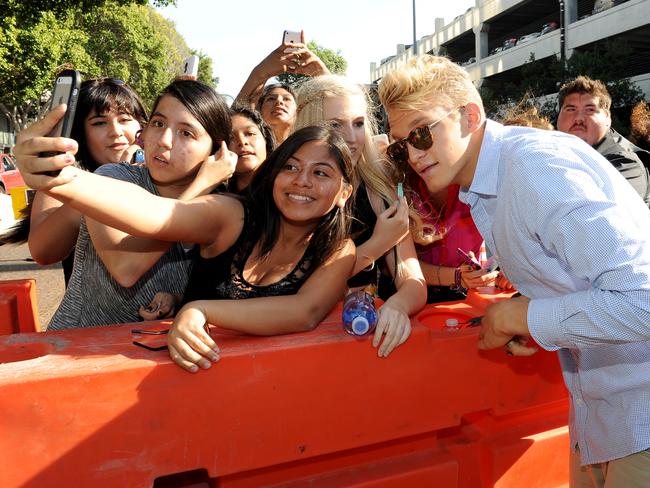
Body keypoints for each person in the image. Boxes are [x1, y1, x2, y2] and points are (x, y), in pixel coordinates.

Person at [379, 55, 650, 486]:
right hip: (602, 413)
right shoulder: (490, 181)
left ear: (469, 116)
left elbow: (643, 300)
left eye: (421, 133)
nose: (412, 153)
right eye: (400, 145)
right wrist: (537, 321)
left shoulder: (533, 168)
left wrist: (521, 317)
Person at [19, 125, 356, 373]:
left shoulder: (338, 250)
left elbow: (304, 312)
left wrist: (197, 310)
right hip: (177, 385)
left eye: (321, 173)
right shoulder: (232, 215)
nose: (302, 181)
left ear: (344, 193)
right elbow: (154, 213)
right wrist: (62, 177)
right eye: (291, 166)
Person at [15, 79, 236, 329]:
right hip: (74, 350)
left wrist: (176, 300)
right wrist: (202, 184)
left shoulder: (220, 207)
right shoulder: (113, 177)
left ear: (216, 151)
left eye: (186, 132)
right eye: (159, 123)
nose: (163, 140)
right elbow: (126, 267)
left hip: (151, 358)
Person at [294, 75, 427, 357]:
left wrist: (399, 304)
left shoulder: (378, 191)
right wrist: (377, 245)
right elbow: (298, 286)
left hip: (363, 340)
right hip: (300, 344)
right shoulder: (291, 193)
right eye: (335, 125)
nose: (352, 138)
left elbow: (413, 280)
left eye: (357, 123)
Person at [1, 78, 148, 279]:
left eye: (124, 119)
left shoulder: (161, 167)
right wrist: (105, 185)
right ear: (81, 133)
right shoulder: (63, 174)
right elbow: (43, 251)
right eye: (99, 123)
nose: (116, 132)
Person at [556, 75, 650, 205]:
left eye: (590, 110)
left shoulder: (625, 162)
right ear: (559, 117)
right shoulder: (554, 152)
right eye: (571, 109)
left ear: (607, 117)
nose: (578, 118)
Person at [236, 31, 329, 143]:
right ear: (259, 111)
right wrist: (261, 72)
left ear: (298, 111)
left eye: (287, 99)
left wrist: (322, 74)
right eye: (271, 99)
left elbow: (342, 113)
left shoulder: (310, 147)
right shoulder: (251, 149)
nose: (279, 102)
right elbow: (239, 113)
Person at [227, 104, 275, 193]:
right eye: (230, 138)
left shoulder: (286, 189)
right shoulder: (213, 199)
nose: (242, 141)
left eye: (250, 133)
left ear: (266, 140)